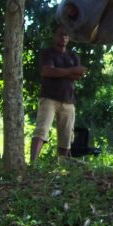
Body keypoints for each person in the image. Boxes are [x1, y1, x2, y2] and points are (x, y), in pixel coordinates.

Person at [30, 25, 86, 163]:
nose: (64, 37)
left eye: (66, 35)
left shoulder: (73, 56)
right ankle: (33, 163)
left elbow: (80, 74)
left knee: (66, 137)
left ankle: (62, 165)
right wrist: (70, 71)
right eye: (61, 34)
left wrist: (59, 71)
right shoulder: (47, 53)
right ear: (54, 35)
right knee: (41, 130)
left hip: (68, 100)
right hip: (49, 98)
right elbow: (47, 71)